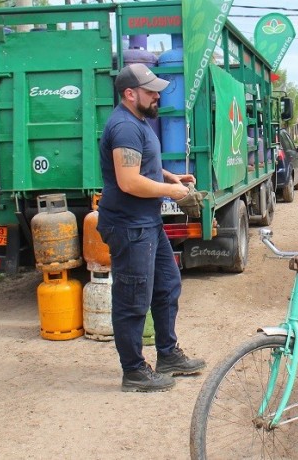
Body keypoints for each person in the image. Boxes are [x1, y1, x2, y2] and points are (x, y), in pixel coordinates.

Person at [97, 63, 206, 393]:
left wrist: (170, 176)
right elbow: (128, 180)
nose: (157, 95)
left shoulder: (138, 122)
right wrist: (171, 192)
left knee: (167, 285)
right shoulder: (125, 127)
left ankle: (167, 354)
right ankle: (133, 371)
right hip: (129, 226)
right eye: (150, 91)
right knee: (133, 299)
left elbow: (144, 164)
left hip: (147, 223)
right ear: (130, 94)